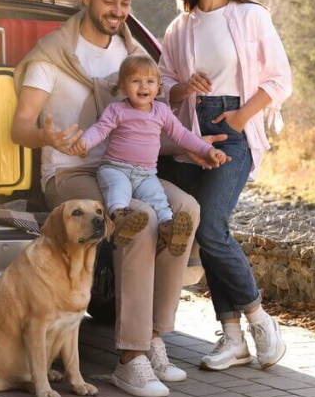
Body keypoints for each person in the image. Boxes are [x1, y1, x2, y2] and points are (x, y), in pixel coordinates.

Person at [10, 0, 224, 397]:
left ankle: (155, 337)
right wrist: (47, 136)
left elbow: (144, 131)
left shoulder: (131, 59)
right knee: (141, 219)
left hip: (129, 169)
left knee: (185, 209)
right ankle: (129, 358)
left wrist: (191, 149)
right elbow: (20, 127)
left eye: (125, 3)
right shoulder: (52, 55)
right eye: (109, 0)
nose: (117, 11)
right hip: (71, 174)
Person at [153, 0, 293, 371]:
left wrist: (237, 119)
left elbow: (279, 80)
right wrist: (182, 89)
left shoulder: (251, 16)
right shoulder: (179, 27)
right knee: (205, 231)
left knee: (211, 228)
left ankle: (259, 320)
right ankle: (231, 336)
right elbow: (163, 85)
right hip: (192, 134)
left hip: (232, 130)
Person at [67, 54, 227, 256]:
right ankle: (122, 220)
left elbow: (183, 135)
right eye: (135, 81)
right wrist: (85, 142)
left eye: (150, 82)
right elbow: (100, 129)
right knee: (118, 192)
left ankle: (169, 229)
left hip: (146, 175)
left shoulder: (162, 111)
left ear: (158, 87)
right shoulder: (117, 110)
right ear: (124, 87)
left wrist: (207, 150)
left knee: (159, 201)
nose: (143, 87)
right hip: (115, 168)